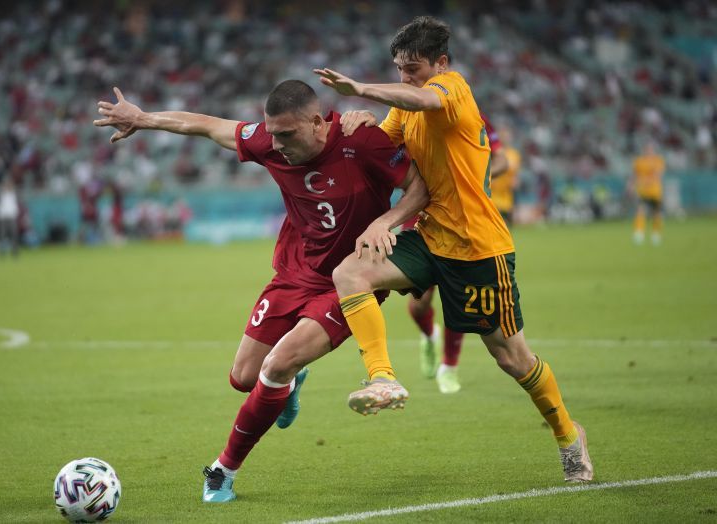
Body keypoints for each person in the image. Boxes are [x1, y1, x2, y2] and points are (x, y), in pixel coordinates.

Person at [94, 80, 428, 502]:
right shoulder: (268, 142)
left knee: (276, 364)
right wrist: (144, 119)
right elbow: (205, 125)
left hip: (352, 279)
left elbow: (419, 187)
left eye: (287, 134)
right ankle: (289, 383)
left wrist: (388, 222)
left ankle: (223, 470)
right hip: (294, 272)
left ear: (316, 121)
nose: (278, 143)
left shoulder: (360, 140)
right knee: (243, 378)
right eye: (272, 132)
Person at [314, 15, 593, 482]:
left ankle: (568, 435)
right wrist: (361, 126)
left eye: (414, 68)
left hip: (479, 248)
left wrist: (363, 89)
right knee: (351, 273)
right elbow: (384, 148)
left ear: (441, 64)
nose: (406, 77)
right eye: (399, 69)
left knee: (511, 359)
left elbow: (421, 96)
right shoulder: (407, 105)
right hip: (430, 237)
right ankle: (382, 376)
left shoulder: (454, 89)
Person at [402, 113, 509, 394]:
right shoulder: (406, 115)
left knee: (456, 298)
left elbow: (502, 161)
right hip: (420, 217)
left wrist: (473, 172)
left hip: (462, 224)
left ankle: (449, 366)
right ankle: (429, 335)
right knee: (420, 301)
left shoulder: (474, 117)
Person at [631, 142, 664, 245]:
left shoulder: (658, 161)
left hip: (655, 190)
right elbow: (635, 175)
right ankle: (639, 233)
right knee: (640, 210)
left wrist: (644, 181)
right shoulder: (639, 161)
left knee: (656, 212)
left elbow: (658, 175)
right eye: (647, 149)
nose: (649, 151)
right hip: (642, 191)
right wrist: (631, 185)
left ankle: (656, 233)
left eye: (650, 149)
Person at [489, 125, 521, 226]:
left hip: (507, 200)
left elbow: (515, 176)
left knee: (507, 230)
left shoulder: (515, 155)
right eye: (502, 135)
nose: (505, 137)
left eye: (507, 135)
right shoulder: (492, 153)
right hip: (493, 198)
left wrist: (515, 181)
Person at [0, 177, 20, 258]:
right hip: (3, 217)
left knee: (14, 235)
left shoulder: (14, 195)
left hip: (12, 216)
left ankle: (14, 252)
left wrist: (16, 213)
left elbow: (16, 205)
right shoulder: (0, 195)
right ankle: (2, 252)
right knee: (2, 235)